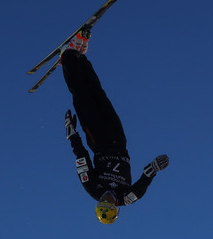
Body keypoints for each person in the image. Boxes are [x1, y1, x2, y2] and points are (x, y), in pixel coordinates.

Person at [60, 29, 169, 224]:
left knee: (82, 97)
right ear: (115, 206)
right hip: (118, 139)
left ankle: (68, 56)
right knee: (99, 95)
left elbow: (82, 158)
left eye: (103, 201)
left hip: (99, 142)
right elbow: (144, 181)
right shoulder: (127, 197)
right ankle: (81, 57)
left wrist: (72, 135)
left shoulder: (92, 188)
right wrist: (154, 168)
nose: (107, 197)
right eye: (109, 202)